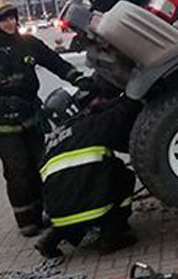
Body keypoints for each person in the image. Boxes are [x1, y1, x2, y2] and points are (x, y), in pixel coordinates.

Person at [0, 0, 93, 237]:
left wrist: (81, 80)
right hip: (3, 122)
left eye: (12, 17)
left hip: (31, 116)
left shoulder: (29, 44)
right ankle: (26, 220)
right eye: (3, 19)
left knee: (42, 165)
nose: (10, 23)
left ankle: (46, 212)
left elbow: (57, 64)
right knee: (17, 171)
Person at [34, 87, 140, 259]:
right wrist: (138, 90)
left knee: (70, 199)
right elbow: (124, 111)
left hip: (57, 215)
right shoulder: (90, 125)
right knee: (124, 176)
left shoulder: (50, 143)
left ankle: (51, 238)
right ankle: (111, 236)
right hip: (93, 208)